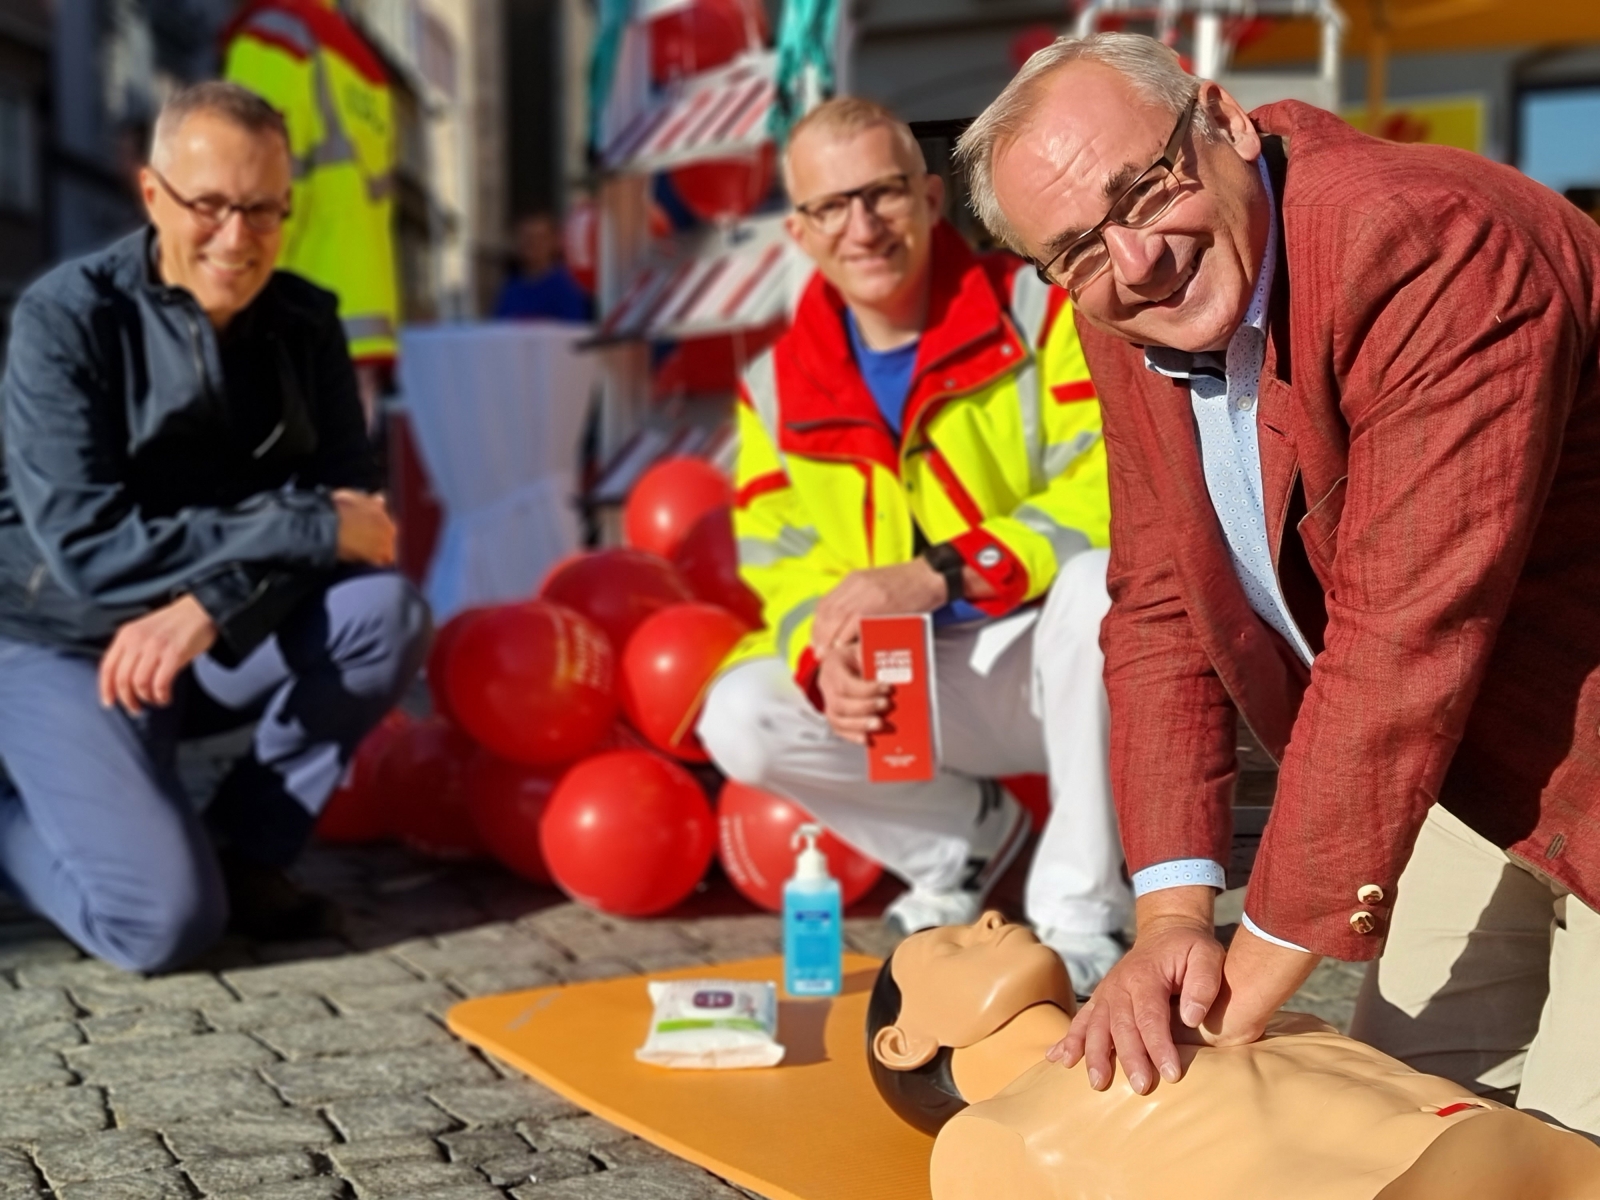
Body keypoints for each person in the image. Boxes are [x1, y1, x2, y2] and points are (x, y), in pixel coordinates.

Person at [954, 31, 1600, 1134]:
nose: (1135, 258)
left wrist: (1238, 988)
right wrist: (1171, 921)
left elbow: (1401, 633)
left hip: (1530, 717)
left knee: (1567, 1151)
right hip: (1479, 761)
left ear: (1221, 119)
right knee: (1401, 1126)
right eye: (1078, 249)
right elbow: (1161, 602)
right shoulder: (1118, 306)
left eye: (1143, 190)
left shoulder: (1424, 243)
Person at [695, 96, 1130, 991]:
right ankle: (963, 842)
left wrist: (944, 573)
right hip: (911, 684)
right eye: (831, 206)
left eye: (882, 194)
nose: (862, 227)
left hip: (1052, 653)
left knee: (1096, 585)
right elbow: (782, 566)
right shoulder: (773, 387)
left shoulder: (1040, 311)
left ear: (931, 198)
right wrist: (822, 656)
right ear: (799, 232)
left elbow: (1114, 490)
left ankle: (1084, 920)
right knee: (739, 712)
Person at [0, 82, 430, 973]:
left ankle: (247, 854)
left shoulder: (306, 322)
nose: (237, 238)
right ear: (152, 194)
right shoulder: (66, 318)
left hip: (199, 637)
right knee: (162, 926)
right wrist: (300, 524)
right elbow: (87, 549)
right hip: (57, 638)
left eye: (263, 210)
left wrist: (210, 605)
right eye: (209, 205)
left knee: (382, 614)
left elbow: (363, 529)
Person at [868, 913, 1600, 1200]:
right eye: (948, 944)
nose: (990, 916)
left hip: (1542, 1154)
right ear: (903, 1042)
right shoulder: (987, 1139)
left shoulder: (1231, 1008)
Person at [492, 213, 593, 323]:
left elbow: (574, 328)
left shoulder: (569, 286)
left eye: (540, 238)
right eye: (527, 238)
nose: (533, 244)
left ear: (554, 241)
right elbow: (498, 326)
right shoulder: (511, 288)